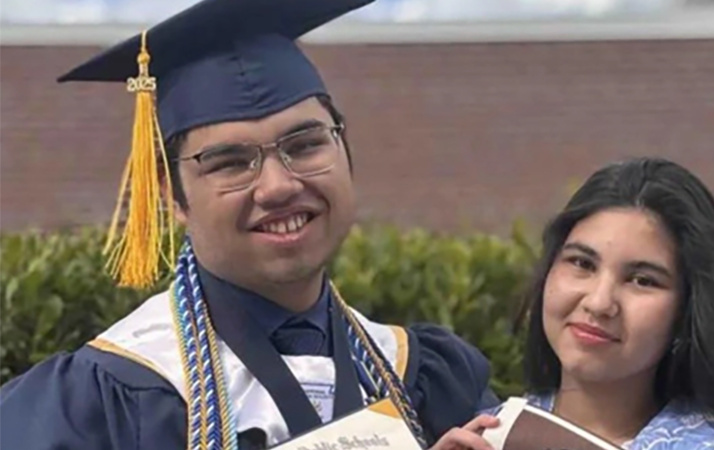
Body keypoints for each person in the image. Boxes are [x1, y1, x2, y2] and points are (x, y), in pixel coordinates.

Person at [0, 0, 500, 448]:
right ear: (171, 196)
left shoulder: (430, 382)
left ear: (345, 150)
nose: (278, 186)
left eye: (305, 145)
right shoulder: (100, 405)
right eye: (230, 162)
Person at [433, 157, 714, 450]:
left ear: (687, 311)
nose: (599, 302)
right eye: (581, 263)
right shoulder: (483, 435)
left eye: (642, 280)